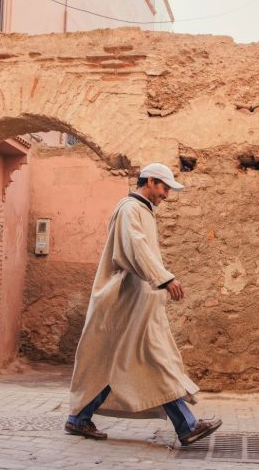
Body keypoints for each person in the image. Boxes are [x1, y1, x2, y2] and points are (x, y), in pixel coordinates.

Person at [65, 162, 222, 446]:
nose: (166, 194)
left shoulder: (142, 210)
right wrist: (165, 279)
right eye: (164, 187)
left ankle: (79, 418)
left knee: (128, 361)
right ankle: (187, 426)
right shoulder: (130, 209)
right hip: (127, 304)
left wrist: (160, 281)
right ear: (149, 181)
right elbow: (137, 249)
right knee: (151, 359)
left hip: (140, 303)